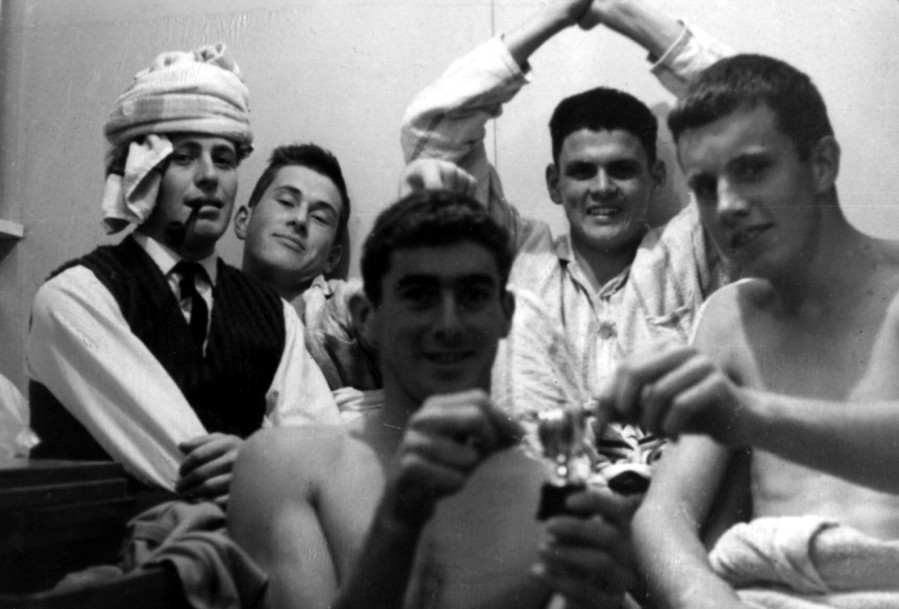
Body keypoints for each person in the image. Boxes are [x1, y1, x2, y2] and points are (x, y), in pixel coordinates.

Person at [229, 189, 640, 609]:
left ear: (506, 313)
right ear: (367, 318)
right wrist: (397, 526)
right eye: (419, 296)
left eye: (473, 296)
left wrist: (598, 600)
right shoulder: (284, 465)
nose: (449, 324)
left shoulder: (552, 494)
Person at [599, 53, 899, 608]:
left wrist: (751, 415)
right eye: (705, 187)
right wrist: (702, 596)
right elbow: (664, 515)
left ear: (822, 164)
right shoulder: (729, 317)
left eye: (753, 170)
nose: (728, 206)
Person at [401, 0, 734, 482]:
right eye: (582, 172)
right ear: (555, 184)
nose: (602, 188)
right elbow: (427, 134)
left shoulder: (689, 247)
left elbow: (755, 117)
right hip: (550, 495)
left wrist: (622, 12)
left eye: (622, 169)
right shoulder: (518, 252)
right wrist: (558, 14)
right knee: (516, 310)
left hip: (672, 494)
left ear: (657, 177)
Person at [25, 43, 339, 504]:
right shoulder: (74, 299)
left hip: (246, 542)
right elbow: (186, 466)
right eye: (185, 157)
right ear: (143, 172)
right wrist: (267, 469)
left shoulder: (274, 317)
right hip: (114, 547)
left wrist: (263, 467)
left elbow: (329, 462)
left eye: (225, 159)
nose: (210, 176)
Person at [234, 143, 380, 393]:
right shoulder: (202, 301)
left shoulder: (341, 308)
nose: (300, 220)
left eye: (320, 218)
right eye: (287, 201)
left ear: (332, 258)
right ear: (243, 221)